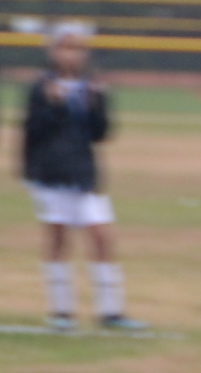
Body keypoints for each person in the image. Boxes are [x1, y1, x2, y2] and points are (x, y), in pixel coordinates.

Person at [15, 20, 140, 332]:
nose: (72, 55)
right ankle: (61, 310)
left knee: (101, 235)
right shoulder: (41, 87)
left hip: (82, 172)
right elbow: (33, 130)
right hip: (51, 172)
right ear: (53, 51)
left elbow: (101, 133)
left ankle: (111, 311)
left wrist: (98, 104)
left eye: (79, 49)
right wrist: (54, 105)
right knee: (58, 236)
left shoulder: (91, 87)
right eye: (66, 48)